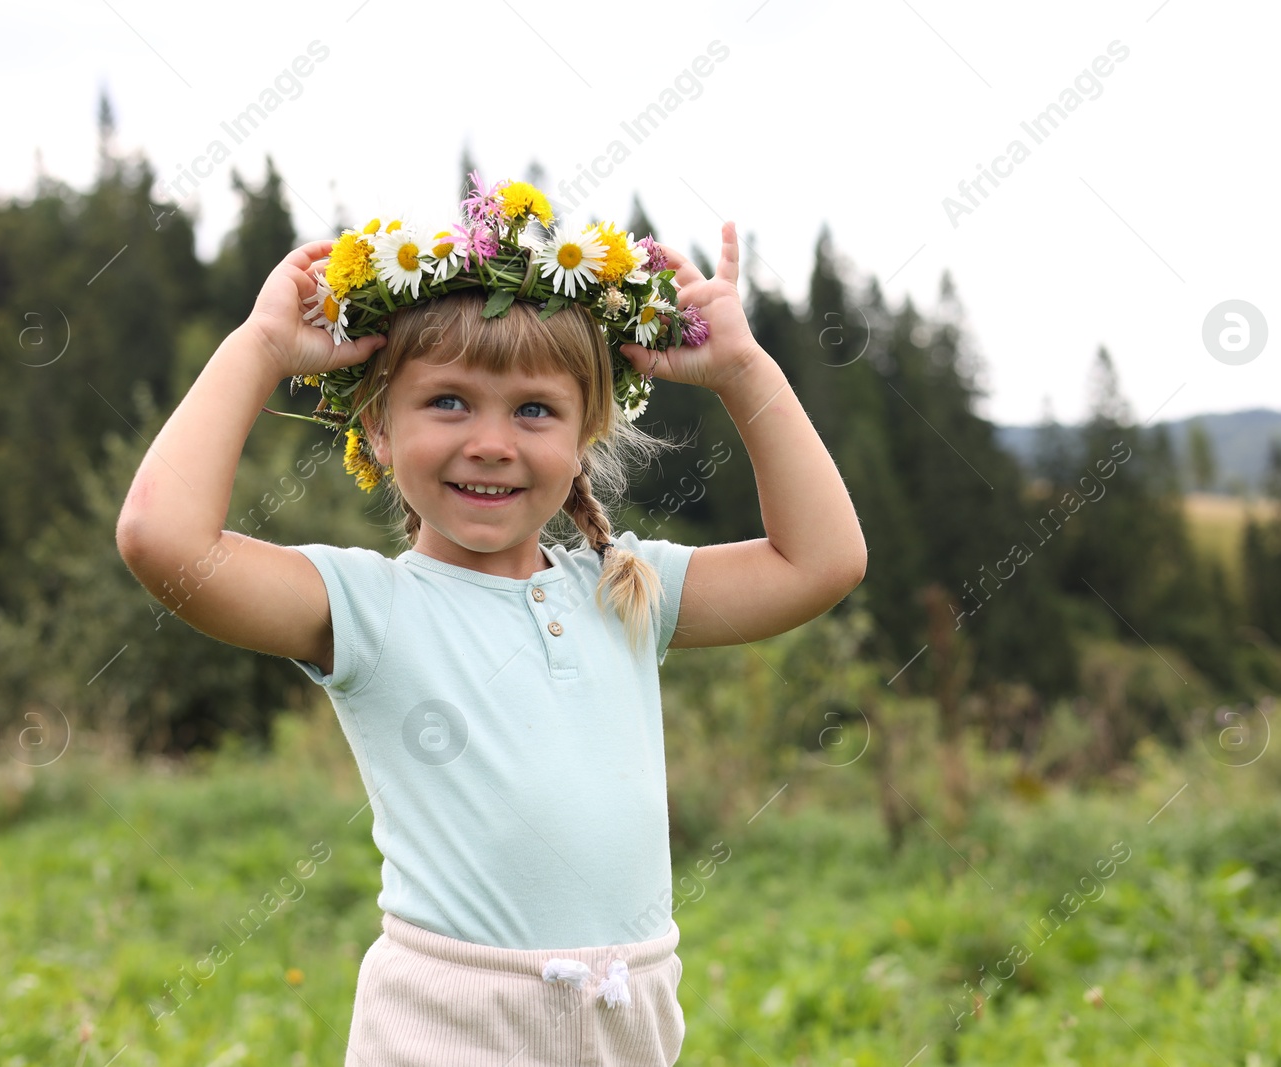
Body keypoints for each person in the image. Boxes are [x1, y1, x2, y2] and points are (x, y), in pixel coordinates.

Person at [115, 220, 867, 1065]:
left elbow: (824, 560)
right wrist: (259, 348)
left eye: (535, 410)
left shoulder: (626, 588)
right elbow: (161, 539)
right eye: (448, 401)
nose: (491, 442)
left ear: (584, 436)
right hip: (448, 1033)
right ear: (379, 427)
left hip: (629, 1022)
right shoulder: (372, 605)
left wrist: (743, 370)